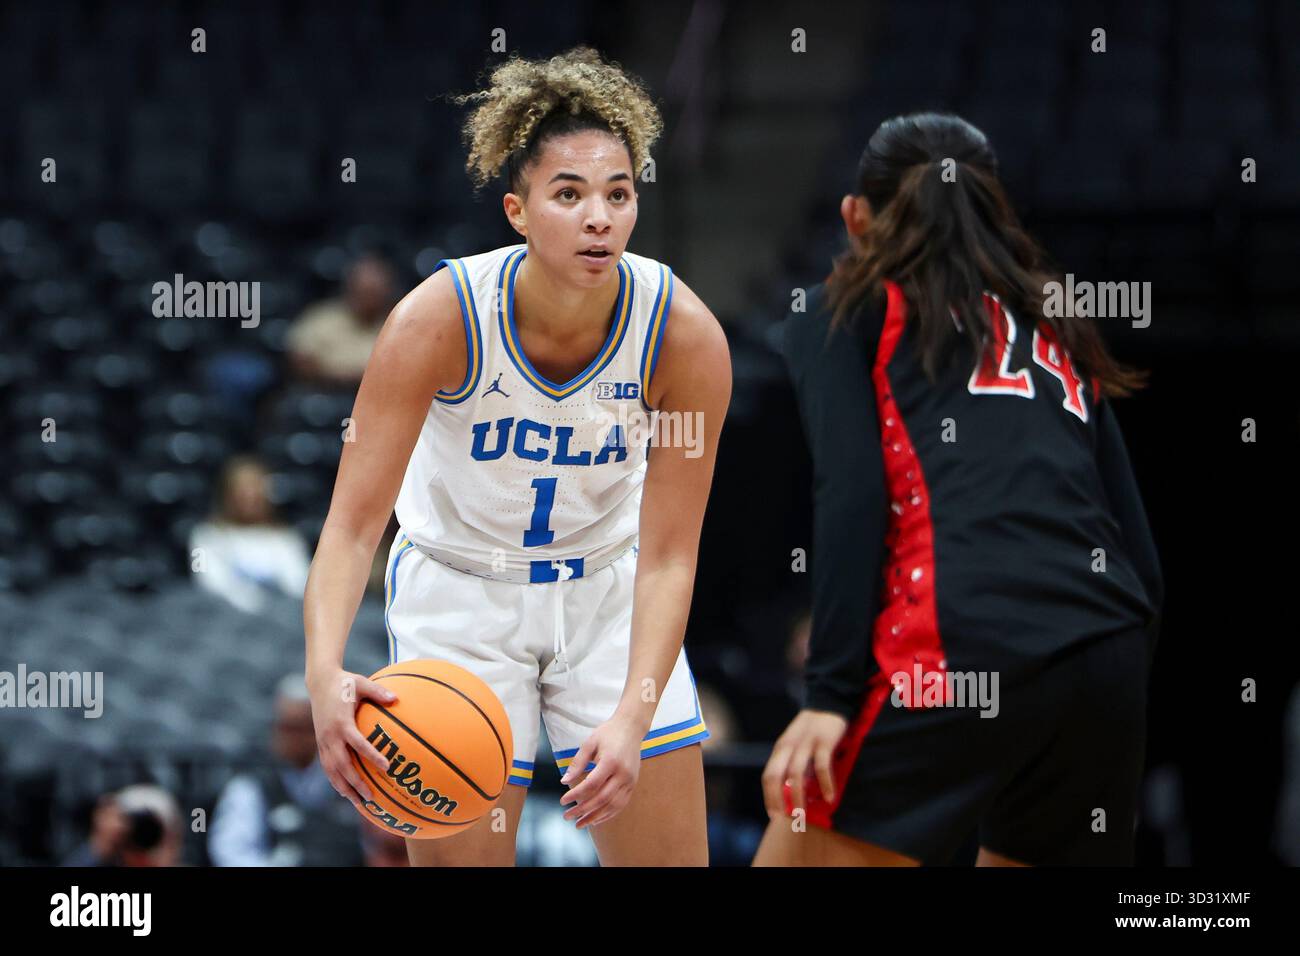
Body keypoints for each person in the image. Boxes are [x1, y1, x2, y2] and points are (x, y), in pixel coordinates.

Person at [303, 47, 731, 866]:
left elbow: (672, 553)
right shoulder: (437, 320)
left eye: (618, 194)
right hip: (461, 596)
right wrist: (325, 674)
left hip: (606, 591)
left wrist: (635, 715)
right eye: (568, 195)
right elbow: (353, 528)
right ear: (518, 211)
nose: (599, 217)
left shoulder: (683, 334)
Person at [755, 113, 1162, 867]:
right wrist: (1113, 695)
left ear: (855, 217)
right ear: (990, 211)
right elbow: (1137, 551)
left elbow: (851, 496)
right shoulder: (1056, 323)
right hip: (1106, 648)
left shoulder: (843, 308)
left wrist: (828, 696)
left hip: (960, 637)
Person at [208, 674, 363, 867]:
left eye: (298, 728)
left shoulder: (348, 776)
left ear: (318, 728)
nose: (287, 738)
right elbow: (232, 853)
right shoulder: (252, 786)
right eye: (282, 727)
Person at [189, 455, 312, 614]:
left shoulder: (287, 538)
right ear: (227, 493)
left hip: (279, 619)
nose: (250, 497)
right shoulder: (204, 537)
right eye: (242, 490)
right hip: (222, 621)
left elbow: (299, 584)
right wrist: (252, 600)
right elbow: (207, 583)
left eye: (255, 489)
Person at [286, 254, 397, 386]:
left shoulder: (398, 325)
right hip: (327, 393)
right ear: (350, 288)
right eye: (363, 292)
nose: (368, 300)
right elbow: (299, 361)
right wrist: (343, 377)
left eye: (374, 293)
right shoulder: (322, 317)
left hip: (382, 394)